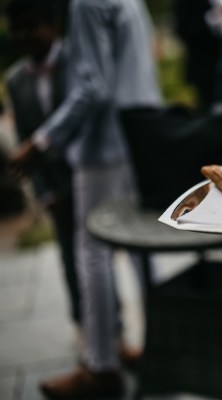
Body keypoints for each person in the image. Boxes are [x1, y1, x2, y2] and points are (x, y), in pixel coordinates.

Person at [9, 0, 162, 398]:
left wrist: (40, 143)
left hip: (104, 147)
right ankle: (163, 350)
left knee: (91, 253)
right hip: (142, 137)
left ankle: (101, 366)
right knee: (147, 253)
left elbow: (92, 87)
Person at [4, 0, 81, 328]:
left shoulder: (78, 61)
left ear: (52, 25)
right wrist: (45, 193)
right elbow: (25, 141)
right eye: (16, 29)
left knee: (99, 259)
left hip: (89, 175)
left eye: (30, 26)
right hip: (56, 188)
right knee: (70, 258)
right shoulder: (15, 80)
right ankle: (83, 325)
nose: (23, 36)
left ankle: (115, 328)